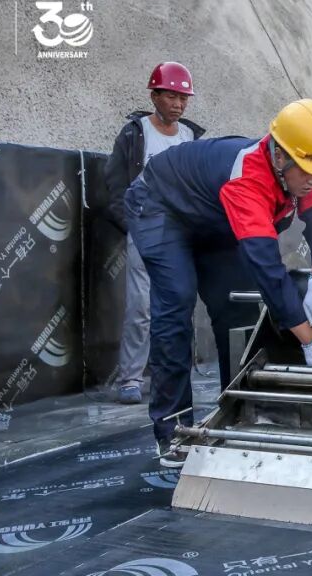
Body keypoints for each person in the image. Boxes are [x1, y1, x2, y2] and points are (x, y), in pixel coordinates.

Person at [125, 99, 312, 467]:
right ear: (280, 157)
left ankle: (240, 411)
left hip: (212, 216)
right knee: (176, 302)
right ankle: (173, 430)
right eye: (308, 170)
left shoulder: (306, 171)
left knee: (236, 306)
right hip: (160, 207)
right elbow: (265, 267)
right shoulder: (248, 179)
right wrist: (311, 340)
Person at [102, 61, 205, 405]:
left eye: (183, 98)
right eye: (172, 96)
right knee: (140, 306)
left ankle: (167, 373)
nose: (178, 104)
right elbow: (115, 183)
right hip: (147, 228)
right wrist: (132, 224)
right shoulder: (136, 133)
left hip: (182, 233)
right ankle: (130, 378)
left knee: (179, 303)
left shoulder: (191, 136)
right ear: (155, 95)